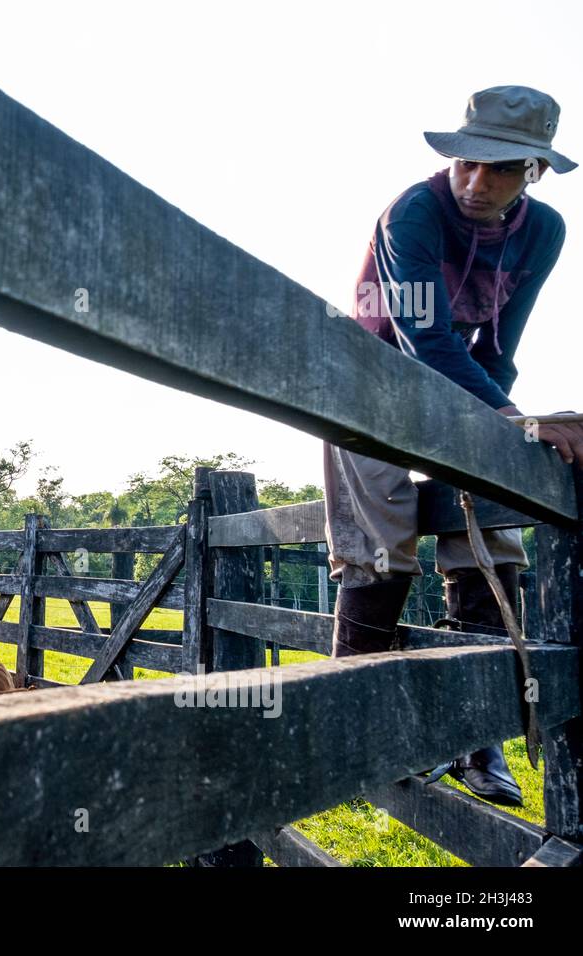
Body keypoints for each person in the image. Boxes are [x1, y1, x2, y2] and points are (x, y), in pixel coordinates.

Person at [325, 86, 581, 806]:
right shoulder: (413, 211)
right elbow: (421, 335)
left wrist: (504, 432)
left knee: (492, 528)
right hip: (366, 376)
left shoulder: (544, 232)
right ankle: (356, 722)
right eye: (468, 163)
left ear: (533, 171)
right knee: (380, 530)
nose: (476, 182)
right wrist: (502, 414)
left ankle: (477, 738)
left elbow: (501, 346)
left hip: (457, 386)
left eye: (500, 169)